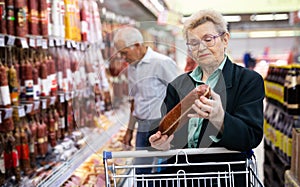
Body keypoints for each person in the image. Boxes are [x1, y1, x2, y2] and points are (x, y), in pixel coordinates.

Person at [148, 9, 265, 186]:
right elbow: (164, 128)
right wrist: (161, 145)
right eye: (193, 43)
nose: (201, 47)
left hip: (227, 179)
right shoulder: (177, 85)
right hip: (182, 178)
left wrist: (220, 118)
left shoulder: (248, 81)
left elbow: (251, 136)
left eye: (208, 39)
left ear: (225, 39)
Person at [112, 26, 178, 180]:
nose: (123, 58)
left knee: (163, 174)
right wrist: (129, 131)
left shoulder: (162, 63)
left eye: (124, 53)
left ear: (136, 45)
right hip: (142, 129)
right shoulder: (132, 68)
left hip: (160, 127)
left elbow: (179, 95)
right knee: (141, 173)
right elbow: (134, 101)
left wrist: (172, 130)